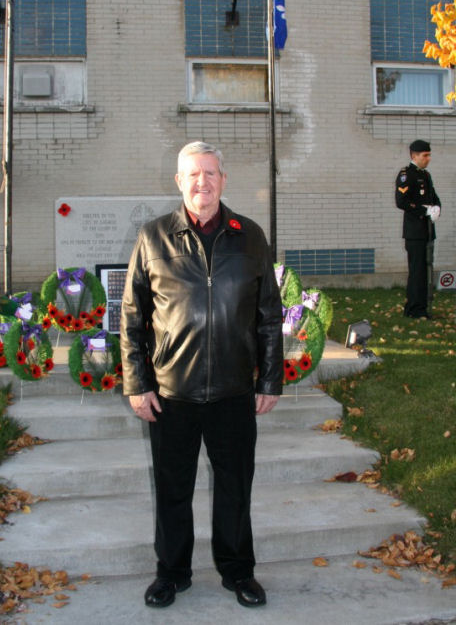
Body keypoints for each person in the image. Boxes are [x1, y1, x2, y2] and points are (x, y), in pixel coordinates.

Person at [120, 141, 283, 609]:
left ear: (223, 180)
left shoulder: (250, 236)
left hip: (234, 391)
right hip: (173, 393)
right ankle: (171, 573)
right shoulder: (153, 237)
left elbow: (269, 314)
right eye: (193, 174)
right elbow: (132, 317)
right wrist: (137, 384)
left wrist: (270, 379)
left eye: (210, 173)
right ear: (179, 180)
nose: (202, 182)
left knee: (235, 489)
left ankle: (238, 571)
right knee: (173, 491)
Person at [395, 139, 440, 319]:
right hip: (414, 232)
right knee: (417, 271)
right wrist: (424, 210)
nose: (428, 158)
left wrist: (437, 208)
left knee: (425, 270)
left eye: (429, 155)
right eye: (425, 155)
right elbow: (401, 202)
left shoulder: (426, 175)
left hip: (427, 230)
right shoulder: (407, 175)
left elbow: (433, 197)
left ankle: (421, 307)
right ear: (414, 156)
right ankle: (414, 309)